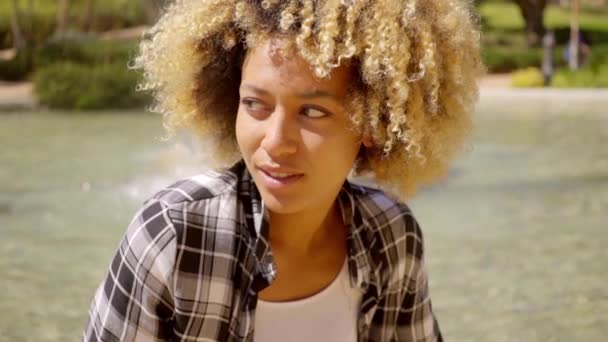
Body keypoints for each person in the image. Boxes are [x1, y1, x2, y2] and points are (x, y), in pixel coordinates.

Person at [83, 0, 483, 341]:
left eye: (312, 111)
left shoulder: (392, 238)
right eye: (255, 104)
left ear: (372, 124)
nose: (275, 141)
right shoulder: (173, 235)